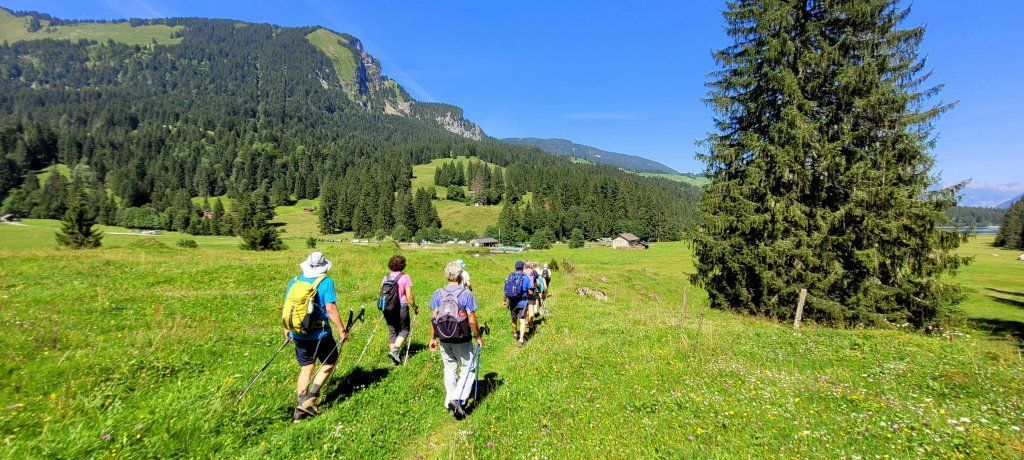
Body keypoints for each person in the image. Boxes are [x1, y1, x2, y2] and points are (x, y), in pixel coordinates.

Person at [284, 252, 348, 423]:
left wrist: (287, 328)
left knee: (306, 367)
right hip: (320, 333)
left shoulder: (295, 281)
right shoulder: (326, 282)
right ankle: (310, 398)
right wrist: (341, 329)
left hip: (297, 331)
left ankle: (300, 406)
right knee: (329, 361)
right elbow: (330, 308)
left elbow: (288, 306)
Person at [428, 261, 484, 419]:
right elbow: (471, 319)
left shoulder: (438, 293)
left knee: (449, 368)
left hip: (443, 337)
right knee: (468, 367)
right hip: (462, 337)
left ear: (447, 275)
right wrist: (478, 336)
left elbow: (433, 318)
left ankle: (450, 401)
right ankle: (458, 399)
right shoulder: (466, 294)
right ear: (460, 276)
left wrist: (432, 338)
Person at [380, 255, 417, 365]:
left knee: (393, 332)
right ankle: (395, 350)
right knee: (404, 329)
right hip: (401, 307)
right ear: (403, 265)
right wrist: (415, 307)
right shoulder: (405, 277)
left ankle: (394, 359)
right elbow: (409, 296)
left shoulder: (385, 277)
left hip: (387, 308)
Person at [503, 260, 534, 346]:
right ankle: (521, 339)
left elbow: (506, 291)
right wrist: (530, 295)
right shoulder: (526, 277)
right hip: (522, 302)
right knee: (522, 320)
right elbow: (530, 291)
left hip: (512, 302)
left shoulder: (509, 276)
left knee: (513, 319)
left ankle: (515, 334)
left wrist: (504, 301)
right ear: (523, 267)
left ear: (515, 267)